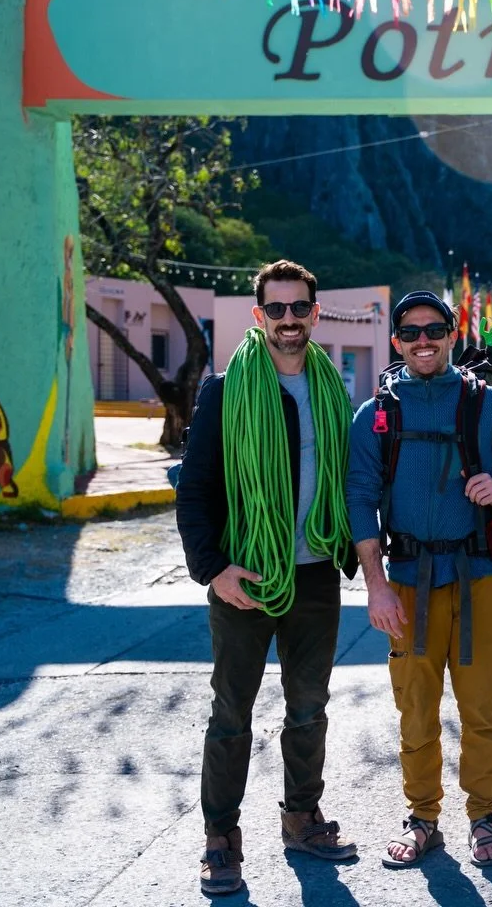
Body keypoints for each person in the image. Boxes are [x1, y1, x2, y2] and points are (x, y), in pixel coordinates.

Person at [176, 260, 360, 897]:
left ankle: (301, 817)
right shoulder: (226, 390)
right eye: (275, 309)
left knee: (309, 709)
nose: (288, 319)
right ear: (259, 316)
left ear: (315, 312)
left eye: (298, 307)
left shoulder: (334, 391)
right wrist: (214, 570)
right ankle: (220, 838)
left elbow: (355, 484)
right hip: (245, 576)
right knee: (232, 712)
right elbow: (194, 491)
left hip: (313, 575)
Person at [346, 290, 492, 869]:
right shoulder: (375, 413)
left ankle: (483, 815)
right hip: (406, 581)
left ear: (453, 335)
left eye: (434, 330)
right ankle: (423, 817)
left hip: (478, 575)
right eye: (410, 332)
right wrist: (375, 585)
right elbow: (359, 497)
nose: (422, 340)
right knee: (415, 709)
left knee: (481, 708)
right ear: (396, 341)